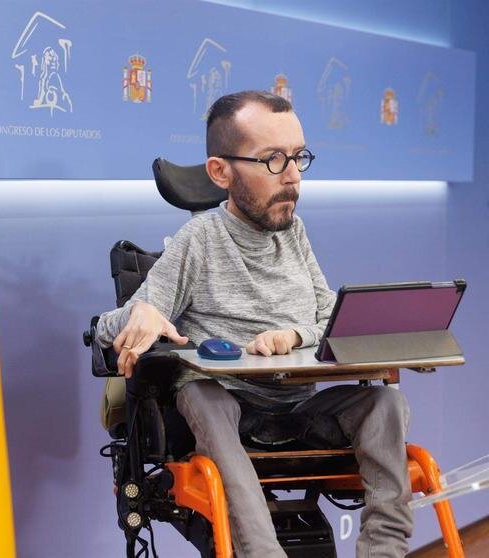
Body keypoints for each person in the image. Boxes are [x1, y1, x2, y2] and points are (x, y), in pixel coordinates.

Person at [94, 90, 412, 557]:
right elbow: (107, 327)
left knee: (384, 402)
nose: (294, 177)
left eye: (299, 157)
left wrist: (296, 335)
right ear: (221, 171)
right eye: (273, 161)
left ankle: (384, 551)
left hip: (299, 413)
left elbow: (328, 319)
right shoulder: (199, 240)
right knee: (199, 392)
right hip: (230, 415)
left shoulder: (294, 233)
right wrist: (139, 312)